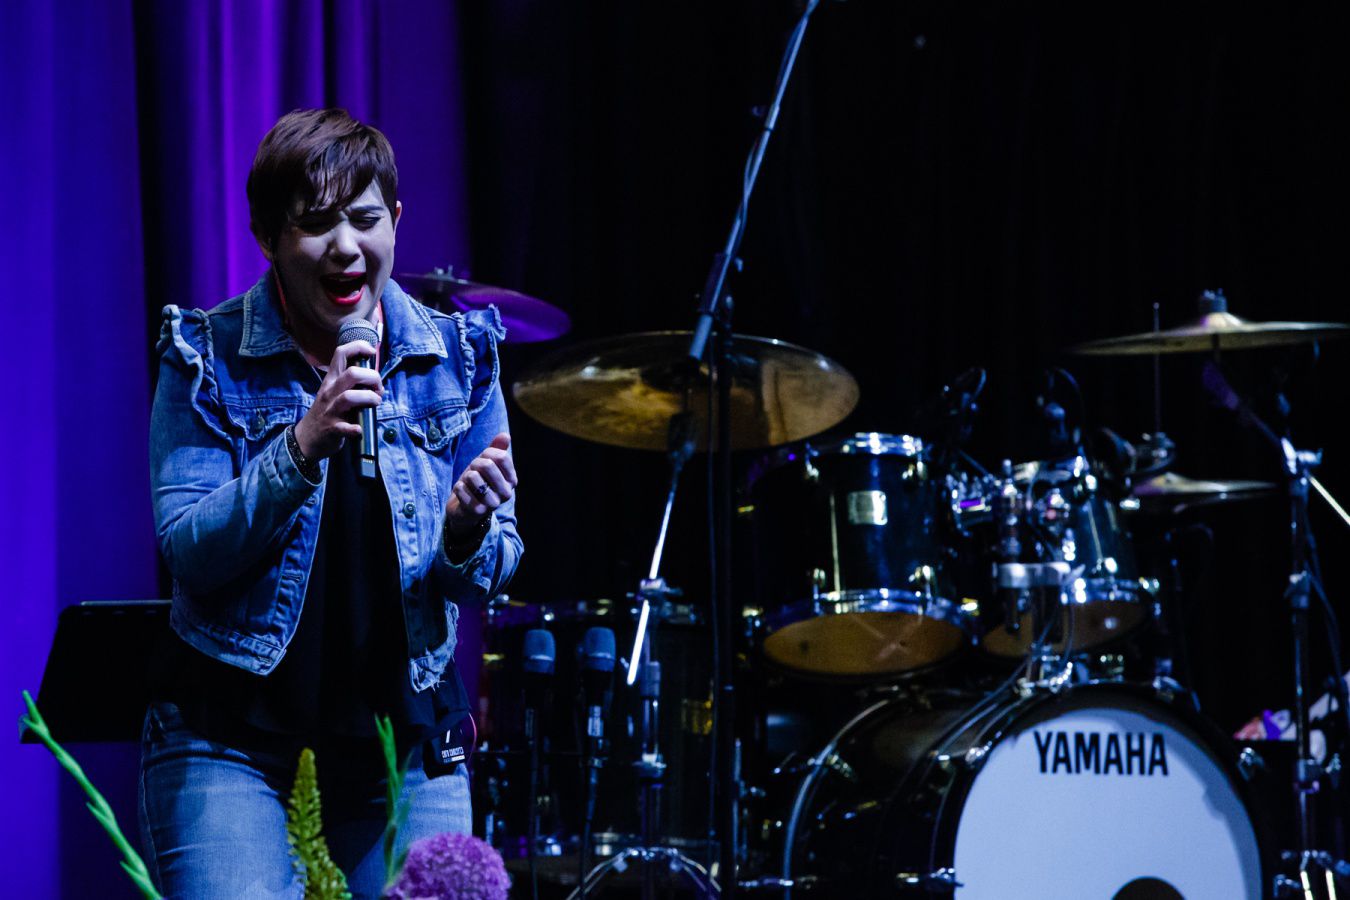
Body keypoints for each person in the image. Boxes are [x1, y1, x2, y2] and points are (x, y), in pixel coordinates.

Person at [139, 108, 522, 898]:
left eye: (366, 219)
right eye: (316, 224)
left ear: (397, 221)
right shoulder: (204, 355)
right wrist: (300, 447)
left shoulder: (459, 357)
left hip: (405, 740)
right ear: (268, 236)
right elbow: (189, 551)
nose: (347, 246)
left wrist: (465, 532)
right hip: (232, 740)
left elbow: (494, 568)